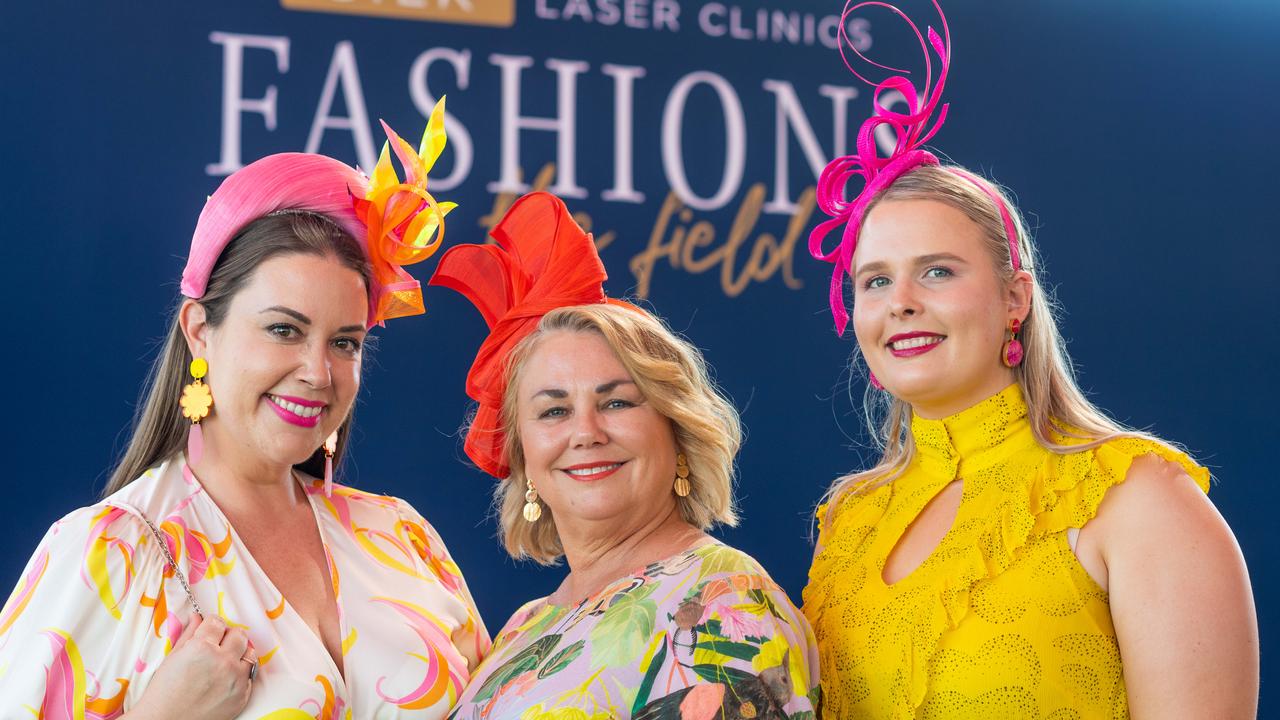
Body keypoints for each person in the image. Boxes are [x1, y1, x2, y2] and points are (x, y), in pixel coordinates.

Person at [801, 3, 1258, 718]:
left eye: (939, 271)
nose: (901, 302)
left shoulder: (1141, 500)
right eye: (876, 280)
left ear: (1015, 298)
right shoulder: (846, 520)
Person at [0, 102, 490, 717]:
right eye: (284, 330)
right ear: (200, 331)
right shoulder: (109, 553)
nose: (318, 372)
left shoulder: (403, 537)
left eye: (345, 342)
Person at [434, 192, 819, 719]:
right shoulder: (527, 625)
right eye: (553, 411)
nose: (585, 432)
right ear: (523, 455)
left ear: (676, 431)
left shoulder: (725, 602)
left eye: (616, 402)